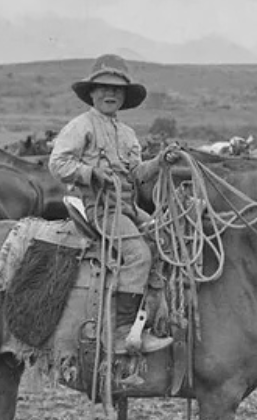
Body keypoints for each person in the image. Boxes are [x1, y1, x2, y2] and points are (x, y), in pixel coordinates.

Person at [49, 54, 173, 354]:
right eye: (103, 88)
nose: (110, 94)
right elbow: (57, 163)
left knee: (166, 240)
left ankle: (151, 319)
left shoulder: (127, 134)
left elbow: (137, 175)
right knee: (139, 255)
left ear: (124, 97)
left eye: (117, 90)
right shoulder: (81, 127)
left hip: (127, 208)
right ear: (91, 93)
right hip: (99, 207)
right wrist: (90, 172)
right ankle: (119, 333)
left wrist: (160, 161)